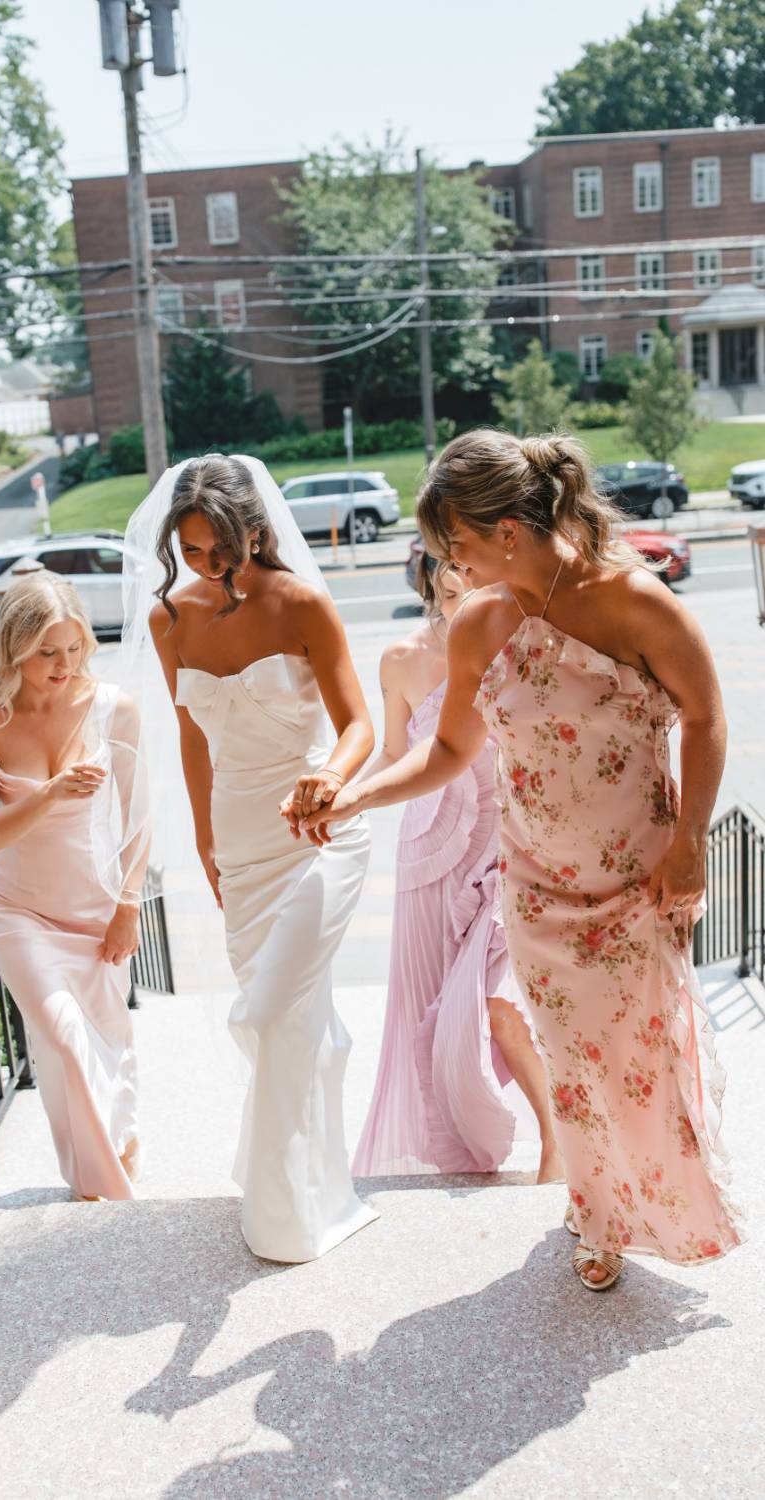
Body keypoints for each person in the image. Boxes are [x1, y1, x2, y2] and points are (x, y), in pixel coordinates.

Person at [297, 429, 745, 1291]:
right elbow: (448, 751)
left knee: (639, 1053)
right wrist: (352, 796)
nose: (448, 565)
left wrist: (691, 842)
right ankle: (597, 1212)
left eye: (455, 545)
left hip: (637, 876)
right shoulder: (478, 624)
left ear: (507, 530)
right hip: (536, 886)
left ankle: (658, 1204)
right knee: (572, 1060)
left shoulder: (635, 601)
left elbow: (706, 715)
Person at [129, 452, 379, 1264]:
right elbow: (191, 736)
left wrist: (331, 777)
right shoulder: (170, 620)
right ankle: (318, 1188)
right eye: (192, 552)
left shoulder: (302, 602)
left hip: (317, 832)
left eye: (221, 549)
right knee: (299, 1023)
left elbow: (360, 726)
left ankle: (278, 1216)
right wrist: (205, 838)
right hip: (237, 842)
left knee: (269, 1015)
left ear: (256, 531)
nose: (208, 566)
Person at [353, 559, 560, 1182]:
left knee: (500, 1003)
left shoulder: (517, 642)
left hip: (504, 848)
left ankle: (557, 1137)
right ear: (429, 587)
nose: (462, 601)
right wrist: (342, 799)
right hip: (426, 856)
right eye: (447, 591)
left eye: (474, 588)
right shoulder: (399, 659)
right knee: (430, 1013)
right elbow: (394, 752)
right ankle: (458, 1150)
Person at [0, 571, 149, 1202]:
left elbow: (139, 820)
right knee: (63, 1038)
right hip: (17, 912)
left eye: (74, 647)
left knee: (106, 1039)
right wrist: (53, 793)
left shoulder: (114, 709)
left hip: (97, 908)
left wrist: (127, 907)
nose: (64, 665)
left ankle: (117, 1142)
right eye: (46, 653)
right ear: (13, 649)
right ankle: (100, 1186)